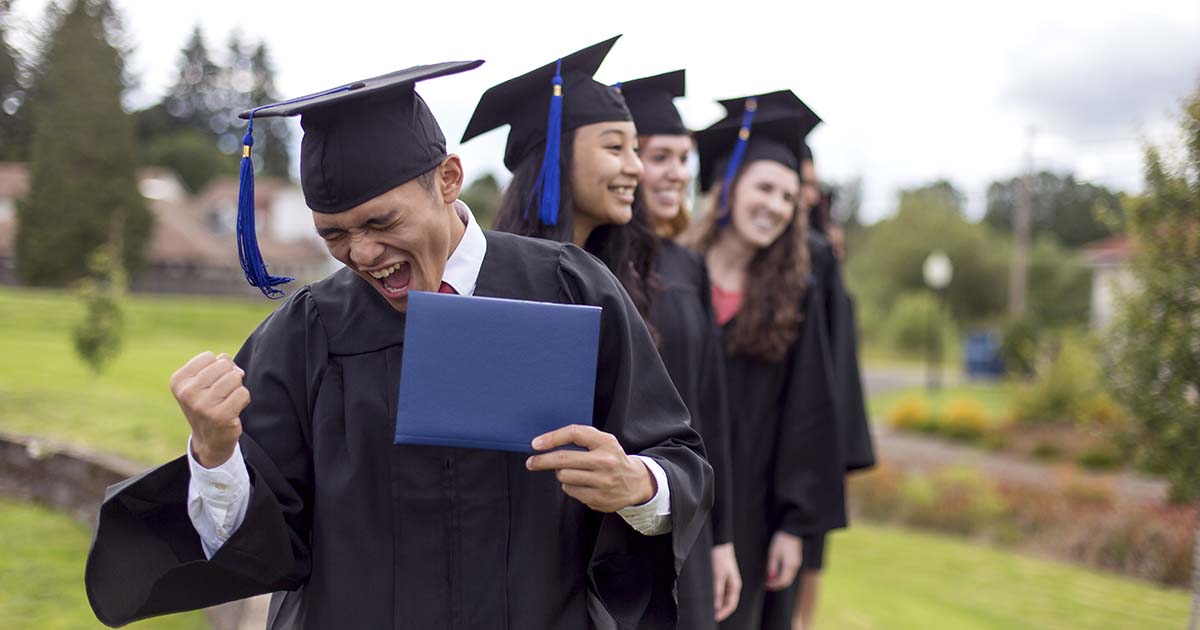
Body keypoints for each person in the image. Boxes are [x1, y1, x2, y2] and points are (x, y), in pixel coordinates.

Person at [84, 59, 713, 630]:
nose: (360, 253)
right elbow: (263, 542)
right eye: (335, 234)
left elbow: (679, 462)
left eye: (381, 222)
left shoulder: (567, 287)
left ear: (448, 178)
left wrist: (636, 482)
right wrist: (215, 453)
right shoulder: (312, 330)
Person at [476, 58, 740, 627]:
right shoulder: (486, 287)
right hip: (522, 572)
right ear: (554, 155)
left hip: (630, 562)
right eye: (617, 148)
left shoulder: (646, 280)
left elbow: (689, 433)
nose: (637, 169)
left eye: (637, 151)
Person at [681, 90, 846, 630]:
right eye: (766, 188)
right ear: (727, 187)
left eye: (788, 196)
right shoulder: (674, 275)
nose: (776, 206)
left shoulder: (792, 297)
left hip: (755, 514)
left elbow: (810, 414)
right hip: (673, 497)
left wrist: (795, 528)